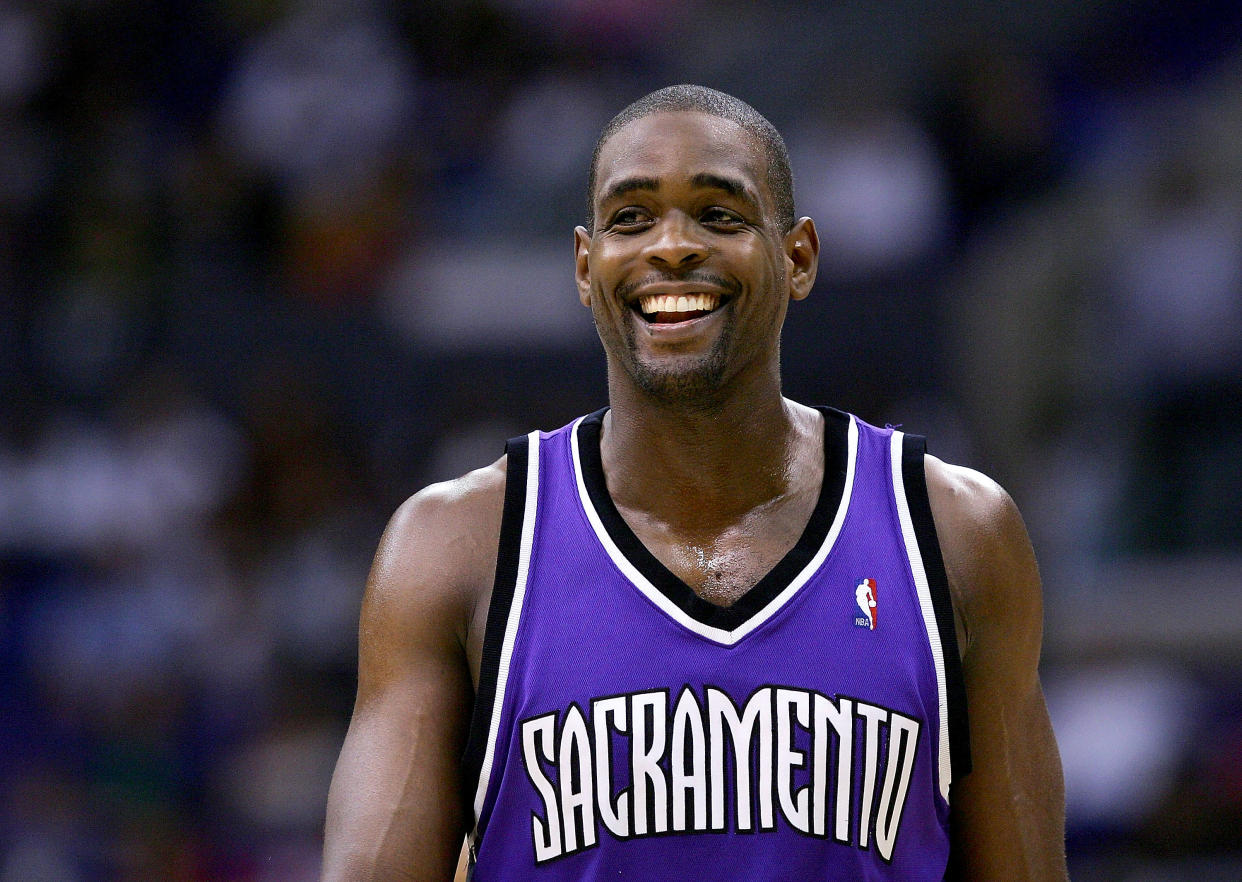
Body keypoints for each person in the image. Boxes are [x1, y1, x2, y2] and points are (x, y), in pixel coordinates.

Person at [321, 84, 1068, 880]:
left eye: (719, 215)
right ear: (585, 265)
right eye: (631, 218)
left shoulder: (953, 533)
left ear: (799, 257)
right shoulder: (456, 547)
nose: (670, 248)